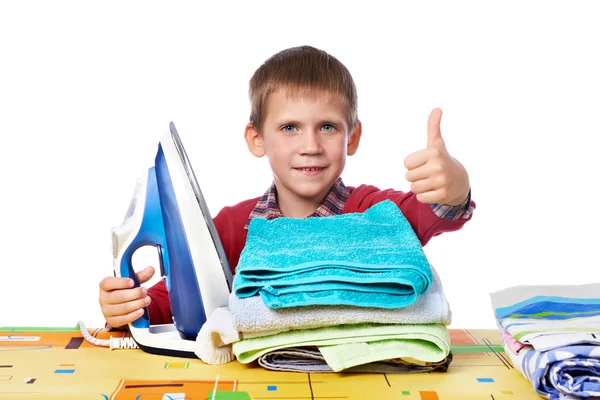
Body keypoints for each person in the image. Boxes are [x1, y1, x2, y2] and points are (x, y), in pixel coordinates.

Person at [99, 45, 476, 330]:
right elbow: (184, 298)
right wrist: (131, 304)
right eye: (289, 128)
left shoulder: (374, 211)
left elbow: (432, 210)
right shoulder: (235, 227)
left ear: (353, 137)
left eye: (327, 126)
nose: (310, 145)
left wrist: (454, 186)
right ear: (256, 138)